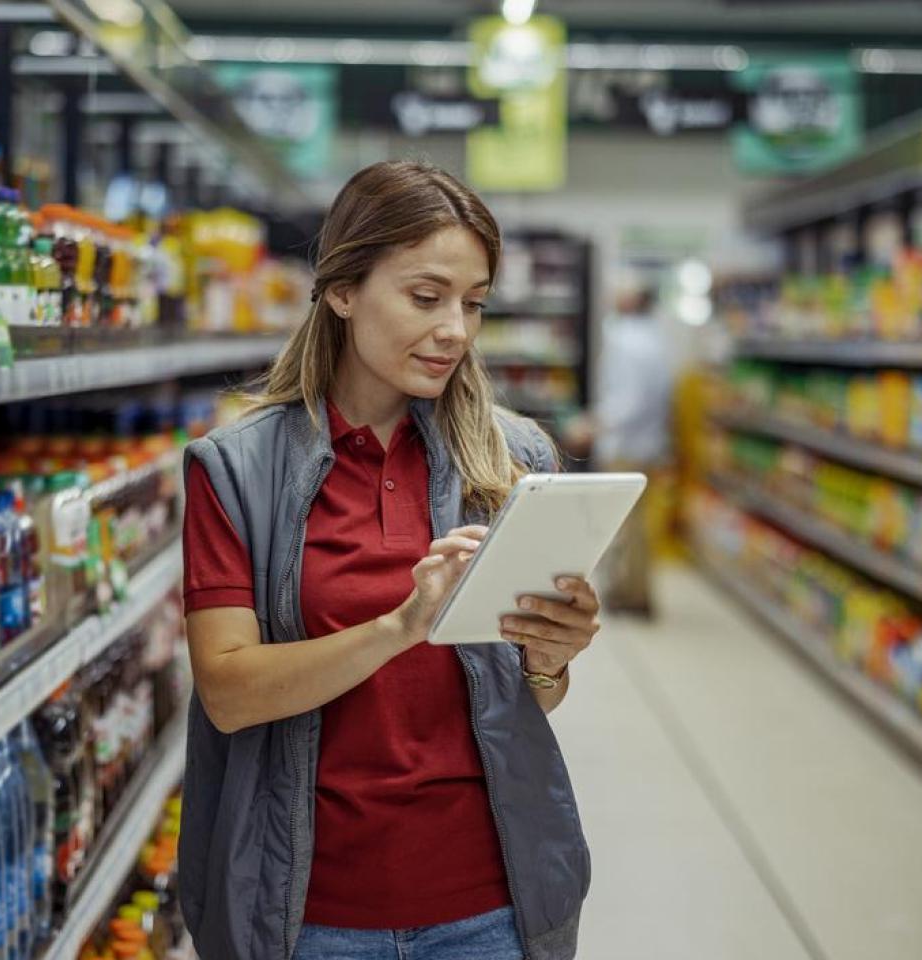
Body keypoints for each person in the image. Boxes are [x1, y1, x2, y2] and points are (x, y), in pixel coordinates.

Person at [179, 160, 598, 960]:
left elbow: (528, 703)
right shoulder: (238, 470)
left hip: (492, 909)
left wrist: (550, 659)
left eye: (473, 304)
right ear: (343, 289)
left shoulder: (512, 460)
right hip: (310, 917)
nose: (457, 331)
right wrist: (403, 625)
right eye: (426, 297)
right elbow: (228, 693)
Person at [572, 280, 678, 616]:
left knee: (627, 526)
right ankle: (636, 593)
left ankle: (629, 595)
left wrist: (594, 424)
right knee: (638, 525)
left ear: (632, 299)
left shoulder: (625, 340)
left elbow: (629, 400)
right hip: (647, 444)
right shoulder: (654, 338)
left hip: (626, 447)